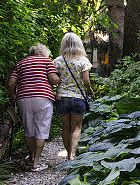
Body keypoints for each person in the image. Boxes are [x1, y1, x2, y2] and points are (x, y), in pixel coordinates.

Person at [8, 43, 60, 171]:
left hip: (23, 98)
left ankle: (31, 157)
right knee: (41, 129)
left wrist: (12, 95)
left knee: (29, 129)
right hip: (43, 98)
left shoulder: (20, 63)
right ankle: (36, 163)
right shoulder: (46, 61)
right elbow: (53, 80)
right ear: (44, 53)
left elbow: (12, 82)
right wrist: (59, 79)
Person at [53, 32, 94, 160]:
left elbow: (54, 79)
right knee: (77, 128)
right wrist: (90, 90)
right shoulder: (83, 60)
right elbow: (86, 80)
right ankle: (72, 155)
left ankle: (67, 152)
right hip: (78, 98)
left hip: (62, 97)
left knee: (65, 127)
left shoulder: (57, 61)